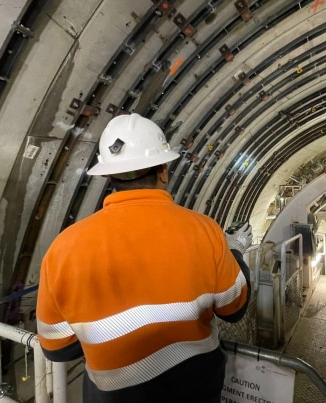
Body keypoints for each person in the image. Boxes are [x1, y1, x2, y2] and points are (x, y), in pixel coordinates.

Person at [36, 113, 252, 402]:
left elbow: (57, 347)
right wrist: (236, 253)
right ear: (163, 170)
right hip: (195, 388)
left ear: (107, 176)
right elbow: (233, 308)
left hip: (112, 396)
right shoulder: (204, 230)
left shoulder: (64, 247)